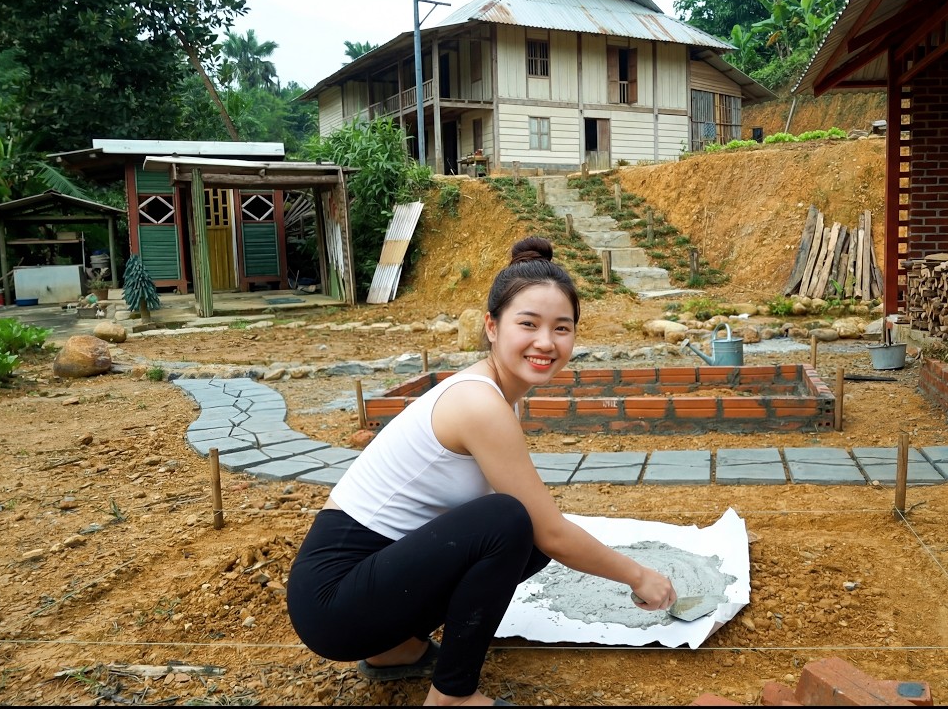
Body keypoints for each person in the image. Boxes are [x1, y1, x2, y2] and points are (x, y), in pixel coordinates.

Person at [286, 236, 678, 707]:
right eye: (528, 324)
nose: (546, 342)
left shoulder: (491, 394)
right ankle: (452, 697)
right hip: (334, 601)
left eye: (562, 328)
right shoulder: (479, 403)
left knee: (519, 536)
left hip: (353, 588)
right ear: (492, 326)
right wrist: (639, 576)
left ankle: (396, 649)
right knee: (511, 522)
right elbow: (544, 530)